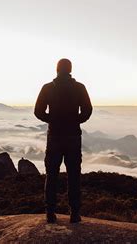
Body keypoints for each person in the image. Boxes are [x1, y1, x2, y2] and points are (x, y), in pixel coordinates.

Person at [34, 58, 92, 224]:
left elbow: (38, 111)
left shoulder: (47, 88)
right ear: (70, 69)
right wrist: (76, 120)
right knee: (74, 175)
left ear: (57, 69)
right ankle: (74, 213)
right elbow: (88, 110)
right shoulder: (79, 88)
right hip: (73, 136)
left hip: (54, 137)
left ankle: (50, 213)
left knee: (51, 175)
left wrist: (51, 119)